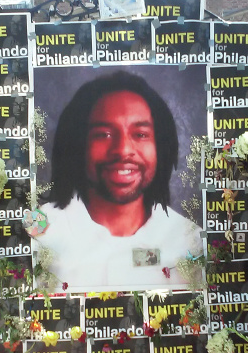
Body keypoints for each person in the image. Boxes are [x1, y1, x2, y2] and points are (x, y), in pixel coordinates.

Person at [36, 71, 201, 290]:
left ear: (160, 147)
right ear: (78, 144)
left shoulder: (190, 240)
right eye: (103, 134)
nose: (123, 150)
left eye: (140, 134)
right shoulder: (38, 227)